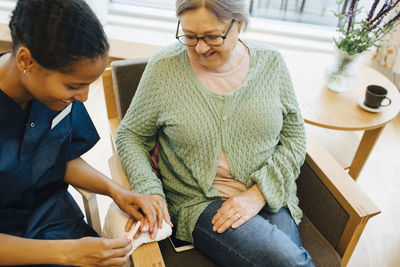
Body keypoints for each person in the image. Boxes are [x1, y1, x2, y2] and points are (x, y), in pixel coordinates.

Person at [116, 0, 315, 266]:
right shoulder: (164, 69)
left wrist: (259, 194)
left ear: (239, 25)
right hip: (200, 201)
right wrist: (149, 190)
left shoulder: (272, 64)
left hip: (269, 193)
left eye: (212, 37)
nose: (199, 47)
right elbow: (130, 135)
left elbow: (294, 139)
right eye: (189, 36)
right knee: (288, 260)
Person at [0, 0, 164, 266]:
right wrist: (69, 253)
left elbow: (58, 156)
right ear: (26, 61)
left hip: (58, 223)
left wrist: (115, 191)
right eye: (73, 85)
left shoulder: (54, 97)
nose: (85, 98)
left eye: (90, 84)